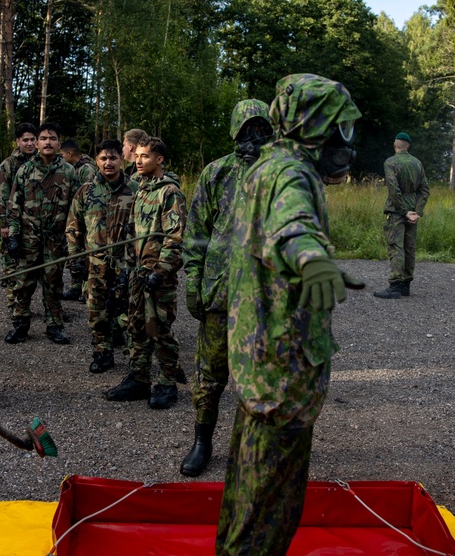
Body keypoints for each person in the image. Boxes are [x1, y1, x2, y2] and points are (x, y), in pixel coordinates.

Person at [216, 74, 363, 556]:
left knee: (246, 496)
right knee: (268, 510)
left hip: (259, 364)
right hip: (282, 374)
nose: (347, 144)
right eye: (341, 130)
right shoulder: (290, 174)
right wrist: (314, 259)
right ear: (318, 127)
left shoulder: (266, 166)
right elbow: (292, 225)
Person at [180, 99, 273, 477]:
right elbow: (197, 232)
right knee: (209, 373)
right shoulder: (216, 173)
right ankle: (202, 442)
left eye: (260, 131)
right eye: (244, 132)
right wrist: (193, 278)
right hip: (219, 292)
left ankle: (253, 449)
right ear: (234, 132)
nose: (251, 140)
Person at [106, 136, 187, 409]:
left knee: (159, 329)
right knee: (135, 326)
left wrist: (160, 272)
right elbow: (132, 234)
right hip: (138, 274)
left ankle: (167, 382)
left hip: (158, 278)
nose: (138, 161)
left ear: (159, 160)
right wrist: (126, 268)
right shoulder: (140, 190)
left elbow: (176, 239)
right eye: (137, 156)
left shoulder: (169, 192)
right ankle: (139, 377)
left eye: (145, 156)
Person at [65, 139, 139, 374]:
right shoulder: (86, 191)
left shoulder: (136, 189)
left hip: (127, 263)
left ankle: (134, 358)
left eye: (113, 158)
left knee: (130, 311)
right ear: (96, 161)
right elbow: (74, 227)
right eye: (103, 158)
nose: (108, 163)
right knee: (97, 309)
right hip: (95, 264)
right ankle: (102, 352)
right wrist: (75, 259)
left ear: (121, 159)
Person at [4, 121, 76, 344]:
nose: (47, 142)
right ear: (36, 143)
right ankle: (20, 324)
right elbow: (14, 205)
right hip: (28, 238)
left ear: (59, 143)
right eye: (43, 138)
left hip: (55, 239)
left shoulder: (69, 171)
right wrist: (14, 236)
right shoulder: (25, 170)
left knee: (53, 284)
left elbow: (76, 208)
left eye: (52, 138)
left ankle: (54, 326)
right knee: (23, 283)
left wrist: (71, 239)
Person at [373, 132, 430, 299]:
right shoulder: (417, 163)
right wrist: (416, 212)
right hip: (412, 208)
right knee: (409, 247)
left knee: (396, 245)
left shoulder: (391, 162)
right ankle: (406, 285)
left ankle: (395, 286)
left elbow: (394, 190)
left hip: (397, 211)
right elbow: (425, 190)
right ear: (408, 146)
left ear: (394, 145)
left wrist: (404, 211)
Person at [0, 122, 38, 314]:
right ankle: (14, 304)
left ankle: (22, 303)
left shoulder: (39, 162)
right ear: (18, 141)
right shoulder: (9, 165)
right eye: (25, 140)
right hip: (11, 222)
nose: (29, 143)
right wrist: (3, 224)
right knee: (11, 263)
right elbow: (1, 196)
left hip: (31, 224)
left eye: (32, 139)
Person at [60, 139, 98, 301]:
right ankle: (77, 286)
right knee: (74, 253)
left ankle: (85, 288)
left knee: (84, 254)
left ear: (70, 153)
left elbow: (87, 195)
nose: (60, 158)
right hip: (75, 217)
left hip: (85, 218)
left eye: (62, 154)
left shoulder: (86, 169)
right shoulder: (76, 168)